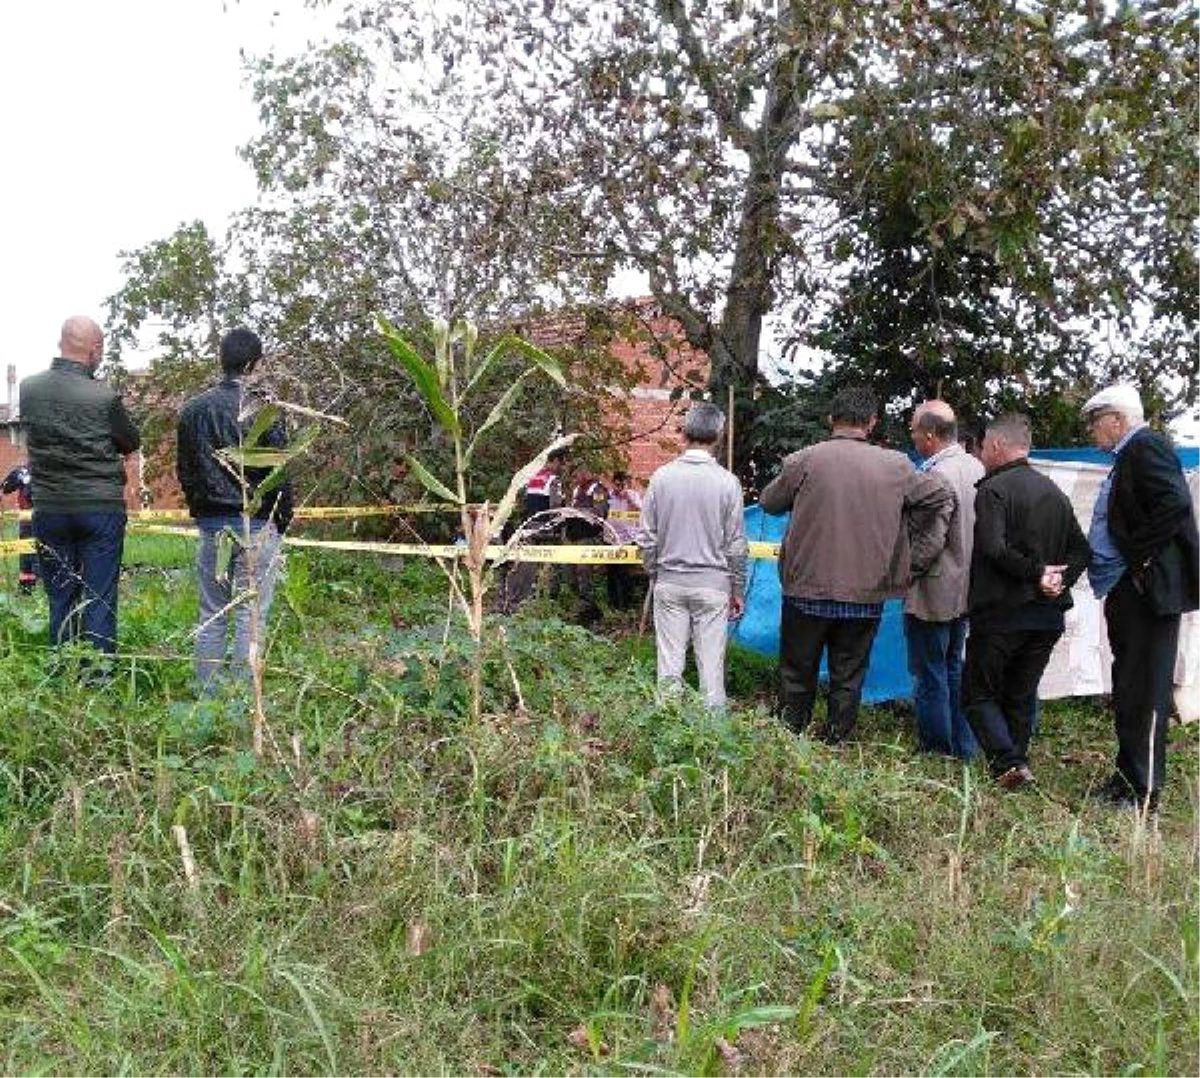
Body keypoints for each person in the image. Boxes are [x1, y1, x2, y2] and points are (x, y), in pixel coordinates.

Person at [759, 386, 953, 743]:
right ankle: (838, 743)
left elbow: (769, 502)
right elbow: (940, 495)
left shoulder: (804, 460)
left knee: (796, 673)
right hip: (867, 593)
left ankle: (788, 743)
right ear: (873, 422)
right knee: (848, 678)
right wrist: (908, 545)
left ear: (831, 419)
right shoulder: (896, 465)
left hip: (806, 589)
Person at [1082, 385, 1200, 813]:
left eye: (1095, 422)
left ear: (1117, 419)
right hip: (1135, 592)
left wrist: (1140, 559)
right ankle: (1128, 779)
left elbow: (1174, 503)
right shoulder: (1130, 454)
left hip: (1148, 593)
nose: (1092, 432)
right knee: (1130, 687)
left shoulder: (1146, 446)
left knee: (1145, 691)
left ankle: (1143, 790)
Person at [963, 413, 1090, 789]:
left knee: (976, 693)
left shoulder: (992, 490)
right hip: (1047, 617)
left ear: (997, 446)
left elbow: (993, 547)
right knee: (1020, 694)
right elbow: (1082, 551)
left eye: (984, 447)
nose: (982, 454)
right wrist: (1059, 579)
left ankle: (1008, 762)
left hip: (1002, 613)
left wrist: (1038, 573)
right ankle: (1017, 770)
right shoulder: (1053, 491)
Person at [176, 328, 294, 694]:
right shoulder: (264, 409)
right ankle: (245, 699)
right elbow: (279, 471)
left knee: (212, 611)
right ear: (256, 363)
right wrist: (282, 520)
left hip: (212, 525)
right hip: (256, 523)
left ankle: (207, 698)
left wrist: (202, 508)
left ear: (221, 360)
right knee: (250, 613)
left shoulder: (193, 410)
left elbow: (185, 469)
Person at [19, 316, 141, 656]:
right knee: (99, 596)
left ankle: (62, 670)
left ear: (61, 344)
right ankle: (99, 677)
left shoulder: (29, 389)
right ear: (95, 349)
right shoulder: (103, 398)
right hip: (99, 508)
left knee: (60, 596)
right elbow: (130, 440)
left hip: (50, 507)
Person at [637, 402, 747, 709]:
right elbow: (736, 544)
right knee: (711, 668)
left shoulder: (661, 477)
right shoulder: (728, 483)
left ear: (684, 433)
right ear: (719, 436)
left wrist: (655, 573)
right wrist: (737, 588)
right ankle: (712, 739)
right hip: (713, 585)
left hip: (669, 582)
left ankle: (667, 729)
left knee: (669, 666)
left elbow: (646, 538)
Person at [904, 401, 985, 758]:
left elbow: (929, 541)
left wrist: (904, 572)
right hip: (968, 587)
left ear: (931, 436)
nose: (912, 437)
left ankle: (936, 749)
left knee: (930, 673)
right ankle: (963, 746)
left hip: (935, 590)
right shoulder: (976, 466)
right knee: (954, 667)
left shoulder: (937, 476)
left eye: (914, 430)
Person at [606, 470, 643, 609]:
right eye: (617, 485)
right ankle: (613, 604)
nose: (619, 488)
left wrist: (628, 499)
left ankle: (626, 605)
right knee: (611, 573)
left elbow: (641, 512)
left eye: (622, 485)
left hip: (627, 539)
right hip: (610, 539)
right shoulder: (609, 496)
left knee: (624, 574)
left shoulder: (633, 495)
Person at [1, 463, 38, 592]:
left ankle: (31, 585)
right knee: (27, 551)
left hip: (41, 518)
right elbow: (6, 488)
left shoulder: (26, 471)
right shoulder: (23, 471)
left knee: (34, 551)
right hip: (30, 518)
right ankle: (28, 586)